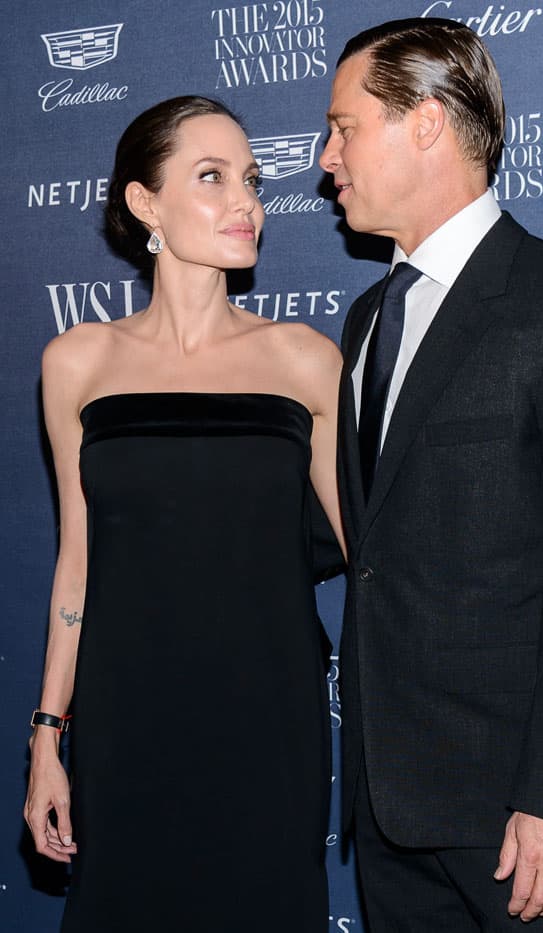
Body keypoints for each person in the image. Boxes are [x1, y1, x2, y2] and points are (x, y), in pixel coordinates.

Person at [320, 18, 543, 931]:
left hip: (521, 821)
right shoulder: (367, 320)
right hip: (389, 806)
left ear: (426, 122)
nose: (326, 157)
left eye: (345, 126)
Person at [24, 95, 344, 933]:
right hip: (126, 719)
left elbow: (372, 559)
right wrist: (49, 735)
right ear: (145, 203)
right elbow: (76, 562)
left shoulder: (306, 361)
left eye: (252, 179)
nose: (246, 202)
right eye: (212, 177)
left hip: (269, 721)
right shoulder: (77, 361)